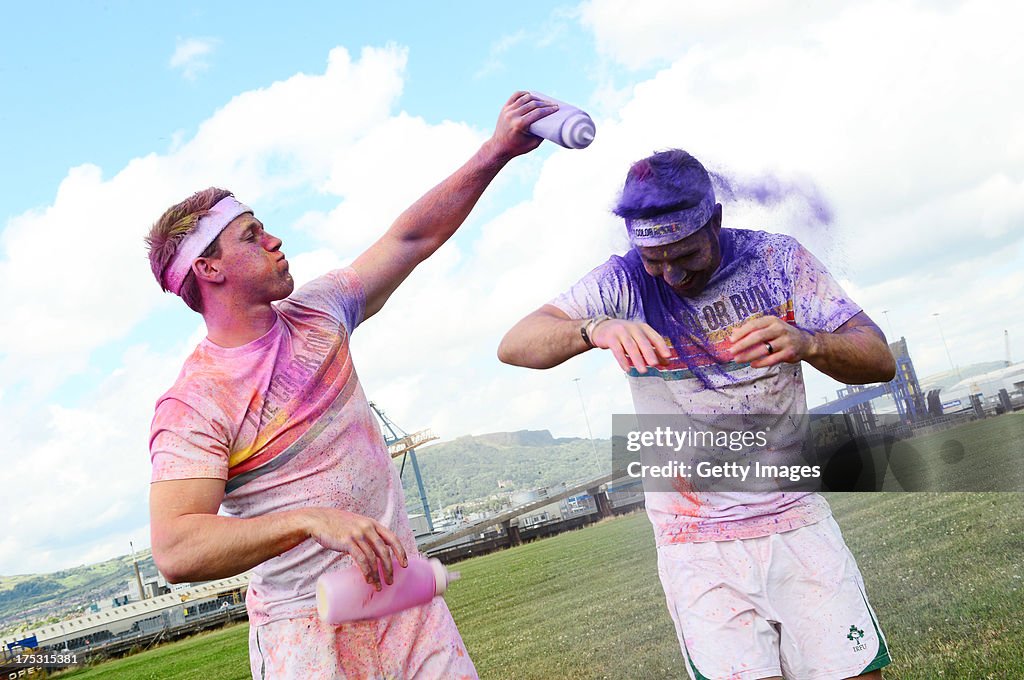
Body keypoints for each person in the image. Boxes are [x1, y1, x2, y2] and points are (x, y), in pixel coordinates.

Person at [145, 92, 557, 680]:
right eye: (252, 235)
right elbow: (177, 548)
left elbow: (410, 240)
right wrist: (308, 520)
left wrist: (496, 152)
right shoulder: (195, 401)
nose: (274, 241)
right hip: (305, 634)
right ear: (209, 270)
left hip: (405, 603)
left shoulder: (320, 311)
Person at [498, 149, 896, 680]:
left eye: (685, 253)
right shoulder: (621, 284)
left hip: (794, 519)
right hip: (695, 543)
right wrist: (595, 329)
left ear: (715, 221)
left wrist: (808, 342)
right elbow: (515, 343)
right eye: (654, 258)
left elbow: (879, 357)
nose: (671, 272)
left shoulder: (777, 261)